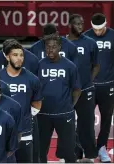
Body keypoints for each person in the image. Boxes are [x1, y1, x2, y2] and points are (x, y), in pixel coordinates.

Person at [37, 34, 81, 163]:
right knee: (41, 150)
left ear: (60, 47)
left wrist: (69, 106)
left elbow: (77, 89)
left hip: (64, 114)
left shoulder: (70, 66)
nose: (50, 50)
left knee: (68, 151)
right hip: (43, 114)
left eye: (54, 47)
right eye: (48, 47)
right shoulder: (39, 65)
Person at [0, 40, 43, 163]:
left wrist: (24, 117)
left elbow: (37, 104)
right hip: (2, 132)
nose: (19, 58)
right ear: (7, 56)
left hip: (25, 132)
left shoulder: (33, 79)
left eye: (21, 55)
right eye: (15, 55)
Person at [67, 14, 100, 162]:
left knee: (86, 124)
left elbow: (96, 66)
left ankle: (91, 155)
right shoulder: (63, 43)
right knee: (66, 125)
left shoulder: (91, 43)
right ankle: (73, 154)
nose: (80, 27)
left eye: (82, 24)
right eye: (77, 24)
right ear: (70, 25)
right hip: (67, 92)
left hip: (86, 90)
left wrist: (88, 81)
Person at [84, 13, 114, 163]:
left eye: (100, 29)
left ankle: (102, 147)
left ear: (106, 24)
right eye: (95, 29)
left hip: (108, 85)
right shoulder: (85, 37)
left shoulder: (113, 36)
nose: (97, 32)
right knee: (86, 118)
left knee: (106, 118)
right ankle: (88, 149)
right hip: (89, 86)